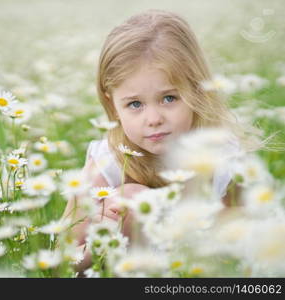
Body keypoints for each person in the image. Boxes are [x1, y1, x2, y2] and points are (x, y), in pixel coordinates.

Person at [60, 9, 263, 274]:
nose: (154, 119)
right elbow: (60, 266)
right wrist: (101, 243)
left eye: (169, 98)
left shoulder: (222, 158)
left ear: (197, 90)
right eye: (135, 104)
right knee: (130, 199)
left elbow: (244, 243)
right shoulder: (105, 167)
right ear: (112, 104)